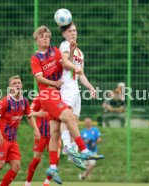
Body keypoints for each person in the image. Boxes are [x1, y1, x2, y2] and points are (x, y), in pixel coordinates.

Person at [30, 25, 104, 185]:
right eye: (42, 36)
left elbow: (66, 63)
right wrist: (55, 82)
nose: (46, 39)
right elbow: (45, 76)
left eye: (48, 36)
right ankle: (78, 150)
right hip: (52, 92)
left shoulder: (57, 50)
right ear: (36, 39)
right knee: (68, 118)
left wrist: (89, 85)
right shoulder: (38, 57)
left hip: (60, 92)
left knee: (56, 130)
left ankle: (53, 167)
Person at [58, 22, 96, 167]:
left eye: (74, 30)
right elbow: (66, 63)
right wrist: (72, 51)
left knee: (74, 121)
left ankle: (72, 154)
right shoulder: (64, 45)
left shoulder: (80, 53)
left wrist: (90, 87)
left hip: (76, 89)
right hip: (66, 87)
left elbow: (80, 74)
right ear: (64, 34)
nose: (73, 33)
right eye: (70, 31)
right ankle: (67, 146)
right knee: (66, 118)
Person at [24, 95, 61, 186]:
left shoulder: (60, 95)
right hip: (41, 134)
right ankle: (27, 183)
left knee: (56, 157)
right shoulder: (39, 97)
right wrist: (38, 114)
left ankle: (46, 182)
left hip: (54, 133)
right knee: (36, 158)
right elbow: (29, 113)